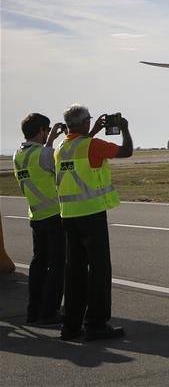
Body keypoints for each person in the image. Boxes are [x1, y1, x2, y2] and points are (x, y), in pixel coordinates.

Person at [55, 104, 132, 341]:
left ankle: (71, 325)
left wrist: (92, 131)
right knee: (99, 270)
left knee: (74, 270)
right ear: (85, 122)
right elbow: (126, 151)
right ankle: (96, 323)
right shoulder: (92, 145)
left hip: (68, 215)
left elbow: (80, 147)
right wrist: (125, 129)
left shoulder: (61, 147)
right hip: (91, 213)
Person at [13, 113, 67, 325]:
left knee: (38, 264)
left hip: (36, 214)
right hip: (54, 214)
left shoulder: (18, 155)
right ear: (42, 130)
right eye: (47, 130)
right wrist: (55, 142)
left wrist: (50, 140)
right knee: (57, 266)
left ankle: (33, 311)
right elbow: (57, 165)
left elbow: (40, 166)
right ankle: (49, 312)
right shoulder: (45, 154)